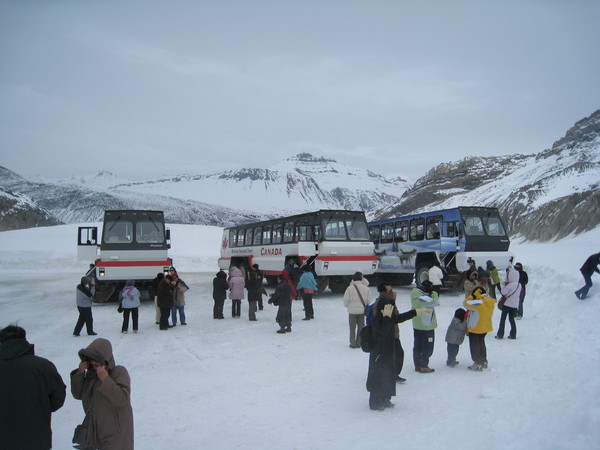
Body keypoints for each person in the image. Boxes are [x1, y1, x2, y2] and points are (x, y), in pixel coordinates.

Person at [0, 325, 66, 450]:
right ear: (24, 340)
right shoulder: (42, 366)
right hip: (36, 437)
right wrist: (41, 407)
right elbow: (58, 396)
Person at [365, 300, 430, 410]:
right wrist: (386, 318)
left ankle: (385, 399)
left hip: (387, 354)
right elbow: (383, 331)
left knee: (387, 378)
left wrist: (416, 312)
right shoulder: (375, 322)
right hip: (378, 355)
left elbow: (400, 318)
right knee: (378, 379)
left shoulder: (388, 319)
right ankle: (375, 403)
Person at [71, 338, 134, 449]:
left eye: (97, 360)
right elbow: (78, 394)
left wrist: (105, 379)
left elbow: (123, 399)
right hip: (95, 430)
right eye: (91, 359)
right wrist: (79, 373)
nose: (93, 363)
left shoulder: (118, 372)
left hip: (116, 433)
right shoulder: (91, 375)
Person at [464, 286, 496, 371]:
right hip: (485, 327)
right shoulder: (489, 301)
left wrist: (471, 296)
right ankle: (483, 361)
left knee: (475, 345)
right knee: (481, 343)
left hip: (475, 327)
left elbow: (465, 304)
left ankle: (477, 363)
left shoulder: (478, 302)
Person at [410, 280, 439, 373]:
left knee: (418, 346)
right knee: (428, 348)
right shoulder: (424, 298)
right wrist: (434, 293)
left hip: (417, 325)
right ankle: (423, 365)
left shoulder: (415, 295)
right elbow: (435, 302)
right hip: (427, 327)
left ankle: (417, 365)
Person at [343, 272, 372, 348]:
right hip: (361, 311)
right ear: (361, 279)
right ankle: (359, 342)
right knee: (361, 328)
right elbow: (369, 300)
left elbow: (346, 300)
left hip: (352, 311)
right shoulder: (366, 288)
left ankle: (352, 343)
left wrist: (347, 306)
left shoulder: (349, 288)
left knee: (352, 328)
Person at [495, 265, 521, 340]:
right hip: (515, 305)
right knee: (512, 320)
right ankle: (513, 334)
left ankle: (500, 334)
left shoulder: (510, 285)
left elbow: (503, 292)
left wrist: (503, 285)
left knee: (503, 320)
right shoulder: (519, 285)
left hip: (507, 305)